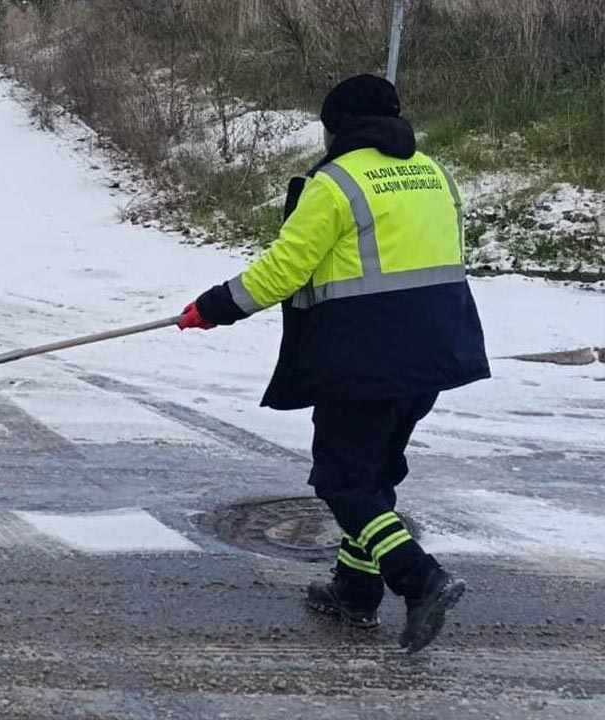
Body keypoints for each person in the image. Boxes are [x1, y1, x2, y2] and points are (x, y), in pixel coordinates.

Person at [177, 74, 490, 653]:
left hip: (365, 358)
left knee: (344, 480)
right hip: (435, 354)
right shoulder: (435, 173)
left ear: (337, 126)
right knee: (374, 475)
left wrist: (214, 307)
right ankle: (354, 589)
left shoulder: (336, 182)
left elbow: (283, 269)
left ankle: (420, 579)